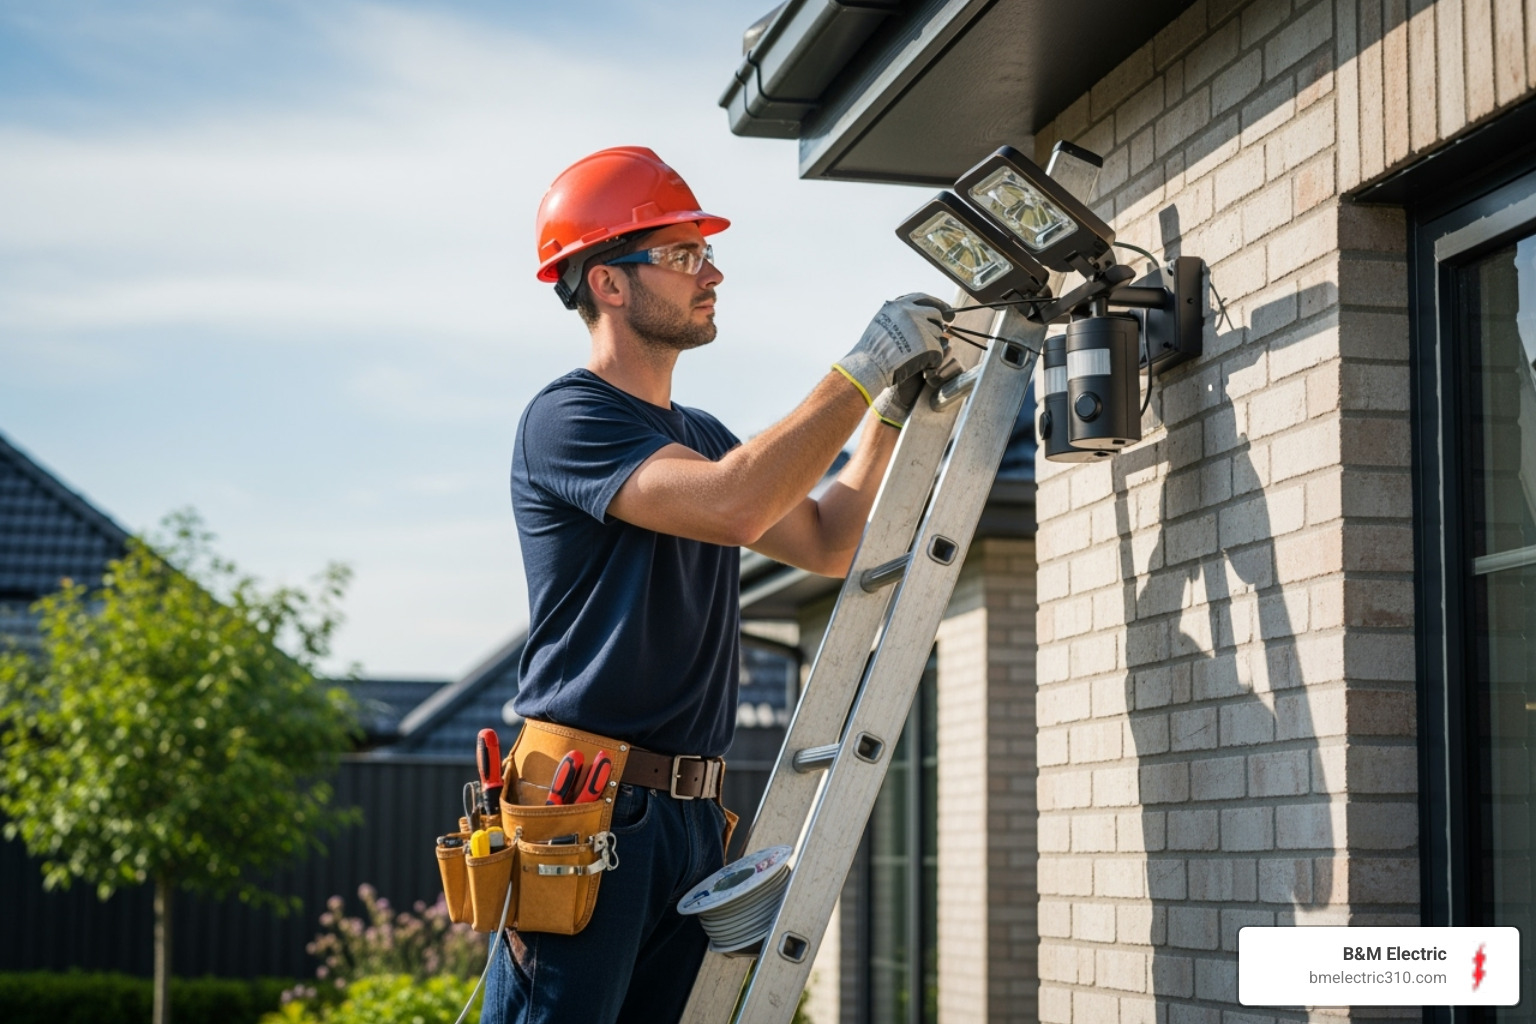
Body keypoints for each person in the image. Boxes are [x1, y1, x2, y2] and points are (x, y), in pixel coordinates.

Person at [484, 146, 948, 1024]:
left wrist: (887, 410)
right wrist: (859, 368)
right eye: (683, 255)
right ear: (608, 283)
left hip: (690, 815)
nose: (713, 274)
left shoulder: (699, 432)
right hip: (586, 809)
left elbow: (827, 538)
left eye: (707, 254)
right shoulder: (566, 418)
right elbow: (735, 505)